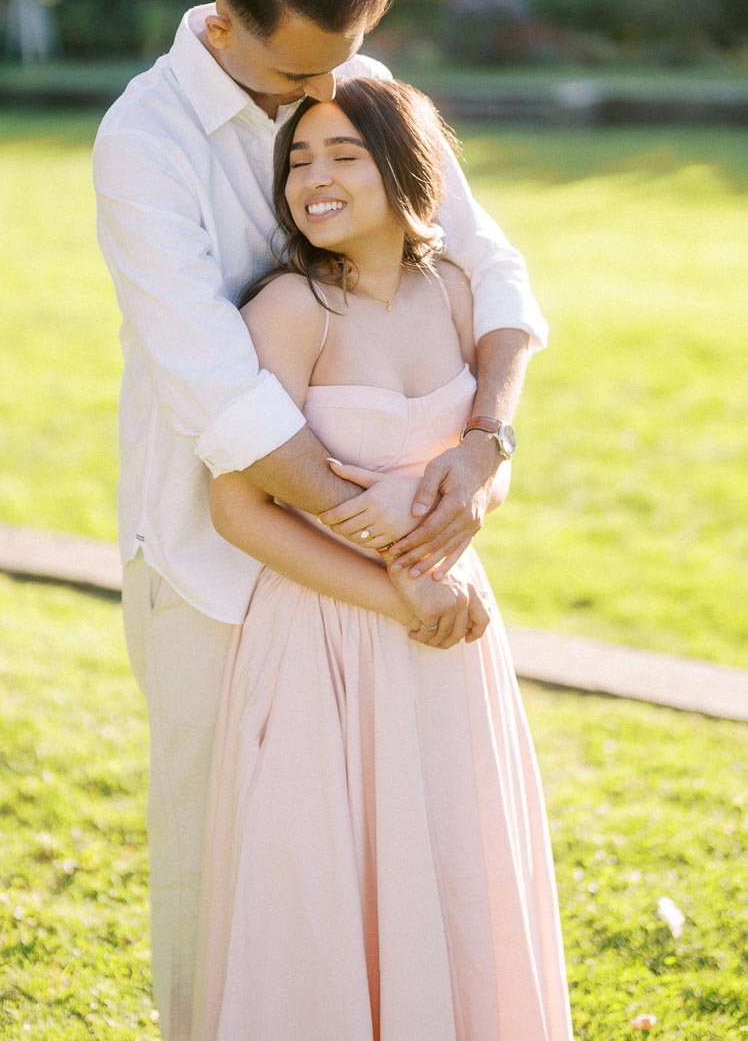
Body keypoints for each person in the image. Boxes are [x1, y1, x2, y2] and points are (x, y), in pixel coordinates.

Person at [93, 0, 548, 1041]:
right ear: (229, 25)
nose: (318, 100)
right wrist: (399, 553)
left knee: (405, 842)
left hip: (381, 567)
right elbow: (220, 396)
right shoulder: (144, 141)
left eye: (340, 69)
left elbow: (485, 263)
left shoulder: (345, 79)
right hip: (217, 558)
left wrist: (489, 440)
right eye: (300, 73)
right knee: (227, 864)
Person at [192, 78, 573, 1041]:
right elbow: (236, 506)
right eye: (299, 162)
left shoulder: (452, 293)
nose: (312, 180)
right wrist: (394, 590)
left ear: (410, 170)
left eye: (344, 156)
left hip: (451, 634)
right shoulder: (290, 309)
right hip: (328, 634)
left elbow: (476, 476)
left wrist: (473, 504)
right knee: (328, 885)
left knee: (453, 865)